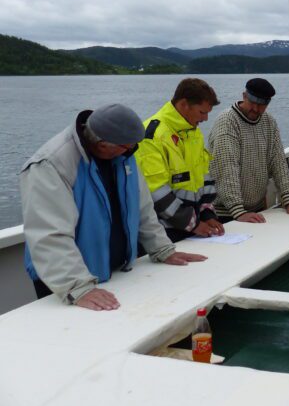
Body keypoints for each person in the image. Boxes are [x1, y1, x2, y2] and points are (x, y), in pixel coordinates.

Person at [21, 104, 207, 311]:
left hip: (113, 275)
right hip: (66, 285)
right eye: (127, 147)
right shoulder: (50, 165)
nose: (131, 152)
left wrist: (162, 249)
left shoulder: (123, 154)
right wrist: (77, 287)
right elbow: (49, 234)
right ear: (101, 144)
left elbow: (143, 208)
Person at [135, 78, 225, 242]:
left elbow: (203, 175)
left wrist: (207, 213)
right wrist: (193, 224)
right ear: (184, 104)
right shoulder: (152, 136)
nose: (205, 119)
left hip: (193, 228)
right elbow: (155, 191)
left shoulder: (193, 132)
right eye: (202, 112)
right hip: (164, 233)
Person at [208, 77, 289, 223]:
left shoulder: (269, 122)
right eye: (252, 102)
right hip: (227, 213)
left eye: (261, 105)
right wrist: (238, 210)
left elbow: (278, 162)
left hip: (257, 210)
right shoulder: (227, 122)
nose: (255, 109)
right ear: (244, 96)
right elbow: (226, 168)